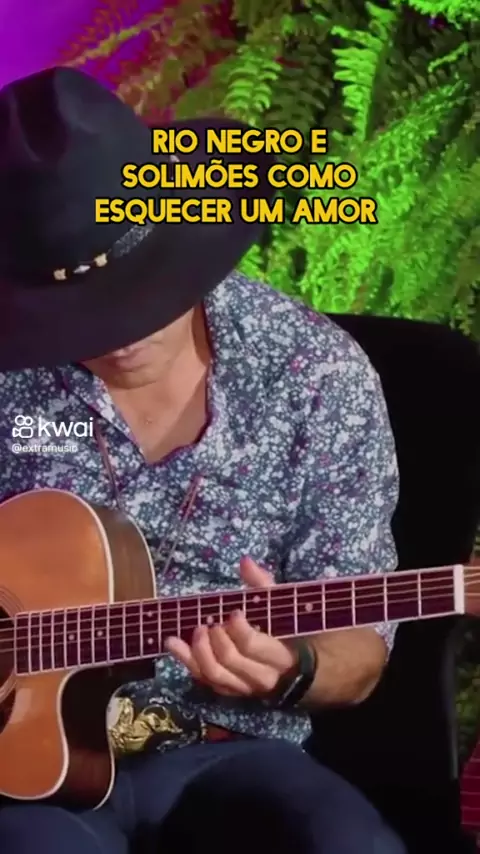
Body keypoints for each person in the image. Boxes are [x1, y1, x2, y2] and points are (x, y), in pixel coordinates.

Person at [0, 67, 404, 854]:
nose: (120, 332)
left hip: (231, 750)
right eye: (77, 311)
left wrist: (291, 668)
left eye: (137, 290)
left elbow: (360, 646)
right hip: (24, 771)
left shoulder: (312, 372)